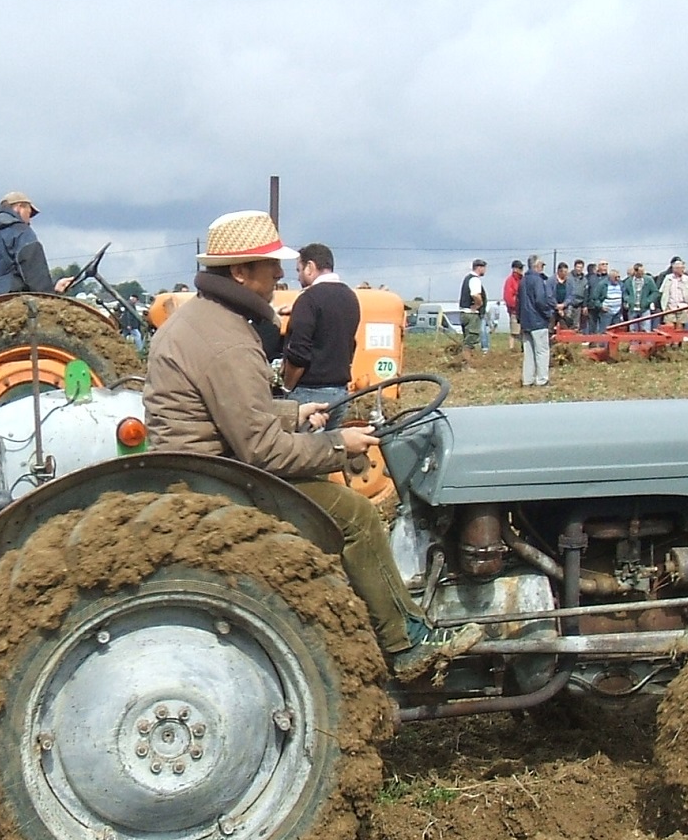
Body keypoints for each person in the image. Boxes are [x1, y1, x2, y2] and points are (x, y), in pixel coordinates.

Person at [143, 210, 481, 681]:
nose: (279, 274)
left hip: (198, 468)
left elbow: (226, 409)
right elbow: (262, 451)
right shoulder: (229, 342)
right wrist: (339, 443)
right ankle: (405, 644)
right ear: (239, 272)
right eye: (270, 266)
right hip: (218, 483)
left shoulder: (199, 321)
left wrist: (295, 414)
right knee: (357, 515)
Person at [281, 243, 361, 409]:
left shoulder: (308, 299)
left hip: (309, 392)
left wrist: (287, 388)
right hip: (340, 394)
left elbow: (299, 354)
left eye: (299, 270)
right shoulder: (350, 297)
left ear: (310, 267)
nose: (298, 277)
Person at [0, 191, 55, 297]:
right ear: (19, 207)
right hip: (13, 297)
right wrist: (50, 297)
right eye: (29, 213)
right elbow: (35, 274)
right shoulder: (22, 231)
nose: (29, 220)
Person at [518, 249, 557, 387]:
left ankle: (527, 380)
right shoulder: (538, 280)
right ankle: (542, 380)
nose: (542, 268)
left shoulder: (522, 281)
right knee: (542, 351)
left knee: (528, 353)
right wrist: (548, 314)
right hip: (538, 321)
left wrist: (520, 319)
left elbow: (518, 302)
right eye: (542, 265)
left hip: (526, 322)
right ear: (537, 265)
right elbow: (540, 300)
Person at [455, 259, 488, 356]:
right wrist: (479, 304)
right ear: (479, 268)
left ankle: (466, 359)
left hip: (464, 313)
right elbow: (475, 294)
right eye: (484, 268)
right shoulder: (474, 279)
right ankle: (466, 360)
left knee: (468, 338)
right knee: (471, 339)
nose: (485, 270)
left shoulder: (467, 278)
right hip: (471, 314)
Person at [620, 262, 657, 332]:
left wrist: (648, 301)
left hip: (645, 309)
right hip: (632, 309)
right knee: (633, 330)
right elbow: (624, 292)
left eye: (643, 272)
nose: (642, 274)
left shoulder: (649, 280)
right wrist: (628, 299)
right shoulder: (628, 281)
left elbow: (655, 292)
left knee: (646, 330)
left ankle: (645, 339)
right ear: (635, 271)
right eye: (640, 272)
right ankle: (634, 339)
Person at [659, 259, 688, 328]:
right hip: (670, 307)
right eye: (679, 268)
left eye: (682, 268)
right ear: (674, 269)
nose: (682, 270)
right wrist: (664, 306)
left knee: (680, 328)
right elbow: (662, 291)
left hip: (683, 307)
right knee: (669, 327)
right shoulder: (668, 278)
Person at [503, 261, 524, 350]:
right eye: (520, 268)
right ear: (515, 269)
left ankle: (523, 348)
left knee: (524, 331)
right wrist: (516, 306)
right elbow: (508, 297)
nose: (522, 270)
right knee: (514, 331)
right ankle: (511, 348)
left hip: (524, 310)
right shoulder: (510, 281)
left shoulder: (523, 279)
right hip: (514, 311)